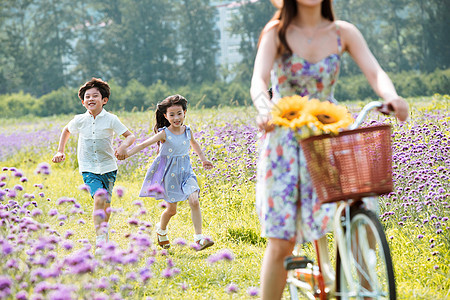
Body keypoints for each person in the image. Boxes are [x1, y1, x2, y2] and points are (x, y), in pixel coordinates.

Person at [250, 0, 409, 299]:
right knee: (282, 240)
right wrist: (264, 108)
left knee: (354, 215)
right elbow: (259, 79)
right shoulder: (277, 32)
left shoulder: (343, 32)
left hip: (330, 133)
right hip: (286, 138)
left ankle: (362, 290)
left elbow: (375, 72)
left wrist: (392, 96)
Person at [52, 77, 136, 255]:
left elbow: (130, 136)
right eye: (87, 96)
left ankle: (104, 235)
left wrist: (122, 146)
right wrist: (60, 151)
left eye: (95, 96)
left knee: (106, 204)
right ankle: (99, 242)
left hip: (109, 167)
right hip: (88, 168)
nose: (91, 99)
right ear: (83, 102)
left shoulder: (111, 119)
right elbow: (66, 130)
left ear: (104, 100)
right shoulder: (79, 120)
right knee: (99, 198)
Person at [121, 94, 215, 251]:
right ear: (165, 116)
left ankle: (198, 239)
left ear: (185, 112)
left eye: (179, 113)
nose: (176, 117)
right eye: (172, 114)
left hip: (186, 173)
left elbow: (195, 144)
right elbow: (144, 144)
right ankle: (161, 230)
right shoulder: (164, 133)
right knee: (172, 210)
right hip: (170, 175)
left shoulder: (187, 131)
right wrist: (126, 154)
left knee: (194, 200)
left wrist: (203, 159)